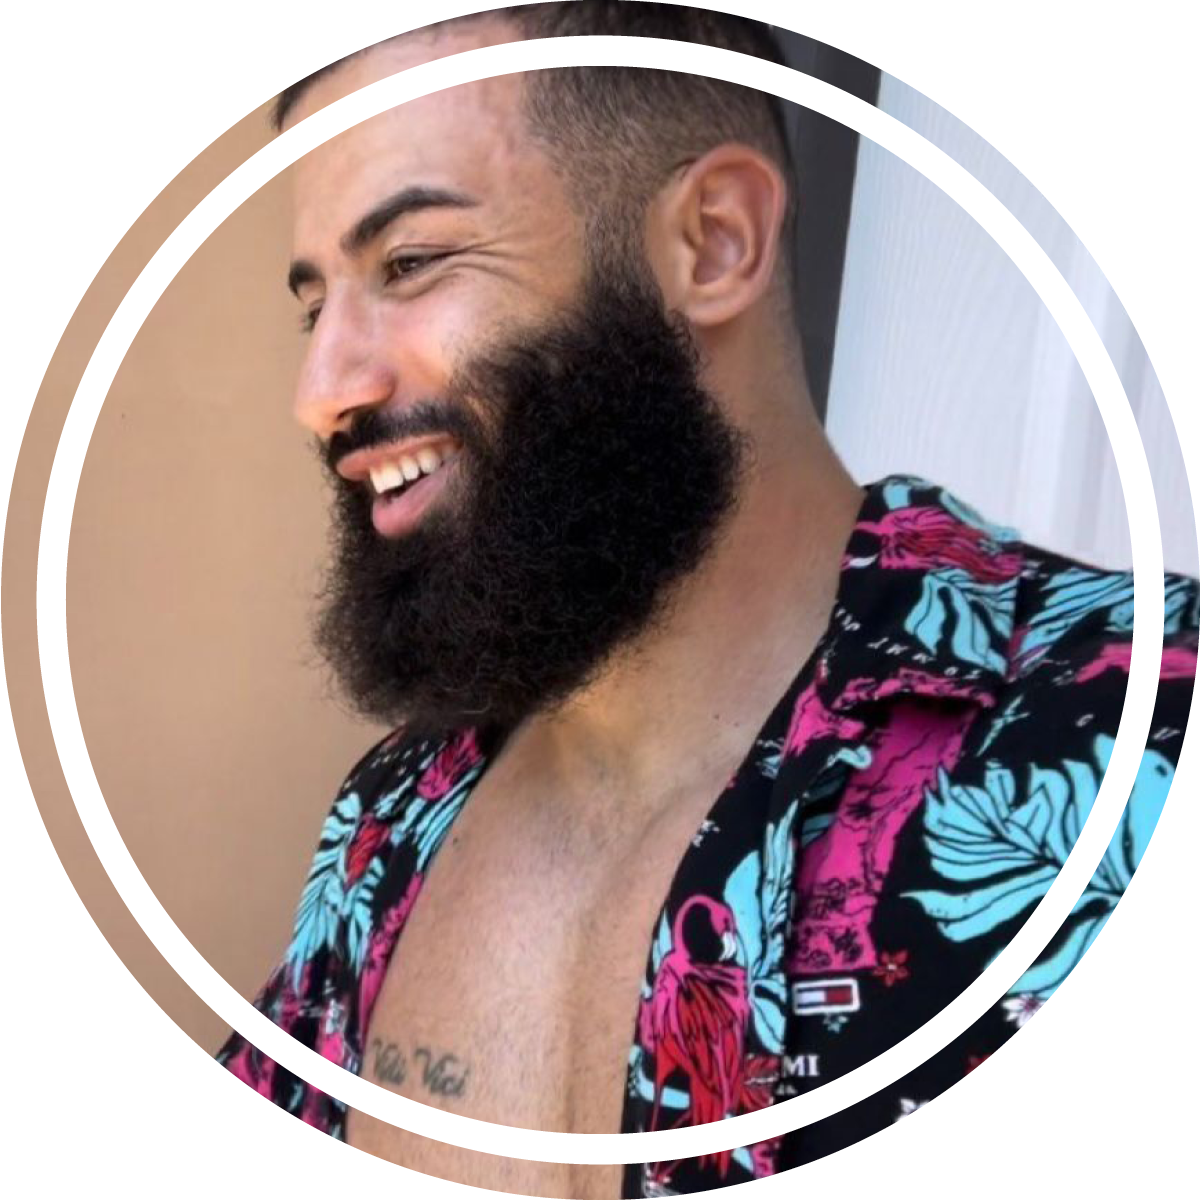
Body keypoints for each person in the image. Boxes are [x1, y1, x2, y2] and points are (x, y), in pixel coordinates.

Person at [215, 4, 1199, 1197]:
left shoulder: (1137, 735)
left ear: (715, 243)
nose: (320, 389)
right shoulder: (387, 820)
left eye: (410, 262)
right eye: (315, 303)